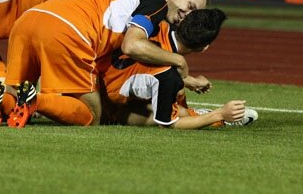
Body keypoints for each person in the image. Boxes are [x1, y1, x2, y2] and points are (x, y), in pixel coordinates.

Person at [0, 0, 210, 128]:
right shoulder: (156, 3)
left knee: (14, 102)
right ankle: (35, 99)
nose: (187, 16)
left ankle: (1, 99)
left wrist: (185, 79)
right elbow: (133, 46)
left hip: (28, 21)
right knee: (91, 115)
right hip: (67, 30)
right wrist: (179, 60)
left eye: (194, 14)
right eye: (190, 6)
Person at [99, 8, 258, 129]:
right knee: (180, 113)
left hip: (98, 79)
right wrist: (220, 114)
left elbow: (144, 65)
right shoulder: (168, 76)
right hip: (104, 106)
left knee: (177, 89)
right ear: (204, 47)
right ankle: (213, 119)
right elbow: (170, 125)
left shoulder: (157, 24)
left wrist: (188, 80)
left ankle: (190, 112)